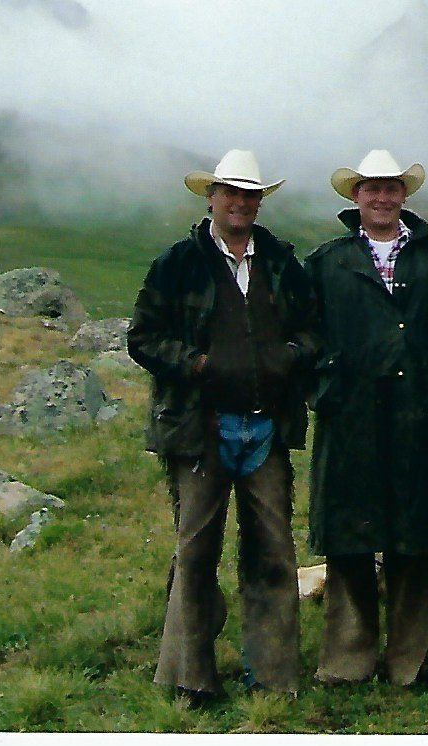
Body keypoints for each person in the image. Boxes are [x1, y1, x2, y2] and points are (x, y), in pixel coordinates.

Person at [128, 149, 320, 700]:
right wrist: (199, 365)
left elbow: (313, 332)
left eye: (250, 194)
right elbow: (142, 337)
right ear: (210, 198)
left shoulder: (282, 260)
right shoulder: (177, 262)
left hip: (267, 429)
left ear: (261, 200)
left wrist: (287, 357)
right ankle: (190, 676)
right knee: (195, 552)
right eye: (231, 193)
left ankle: (274, 678)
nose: (240, 203)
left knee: (275, 551)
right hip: (198, 428)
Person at [304, 149, 428, 687]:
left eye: (391, 189)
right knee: (349, 538)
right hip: (349, 418)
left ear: (404, 195)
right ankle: (347, 660)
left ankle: (410, 659)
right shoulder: (327, 261)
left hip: (421, 420)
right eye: (371, 189)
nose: (381, 198)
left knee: (415, 538)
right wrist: (326, 384)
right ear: (355, 196)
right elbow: (304, 334)